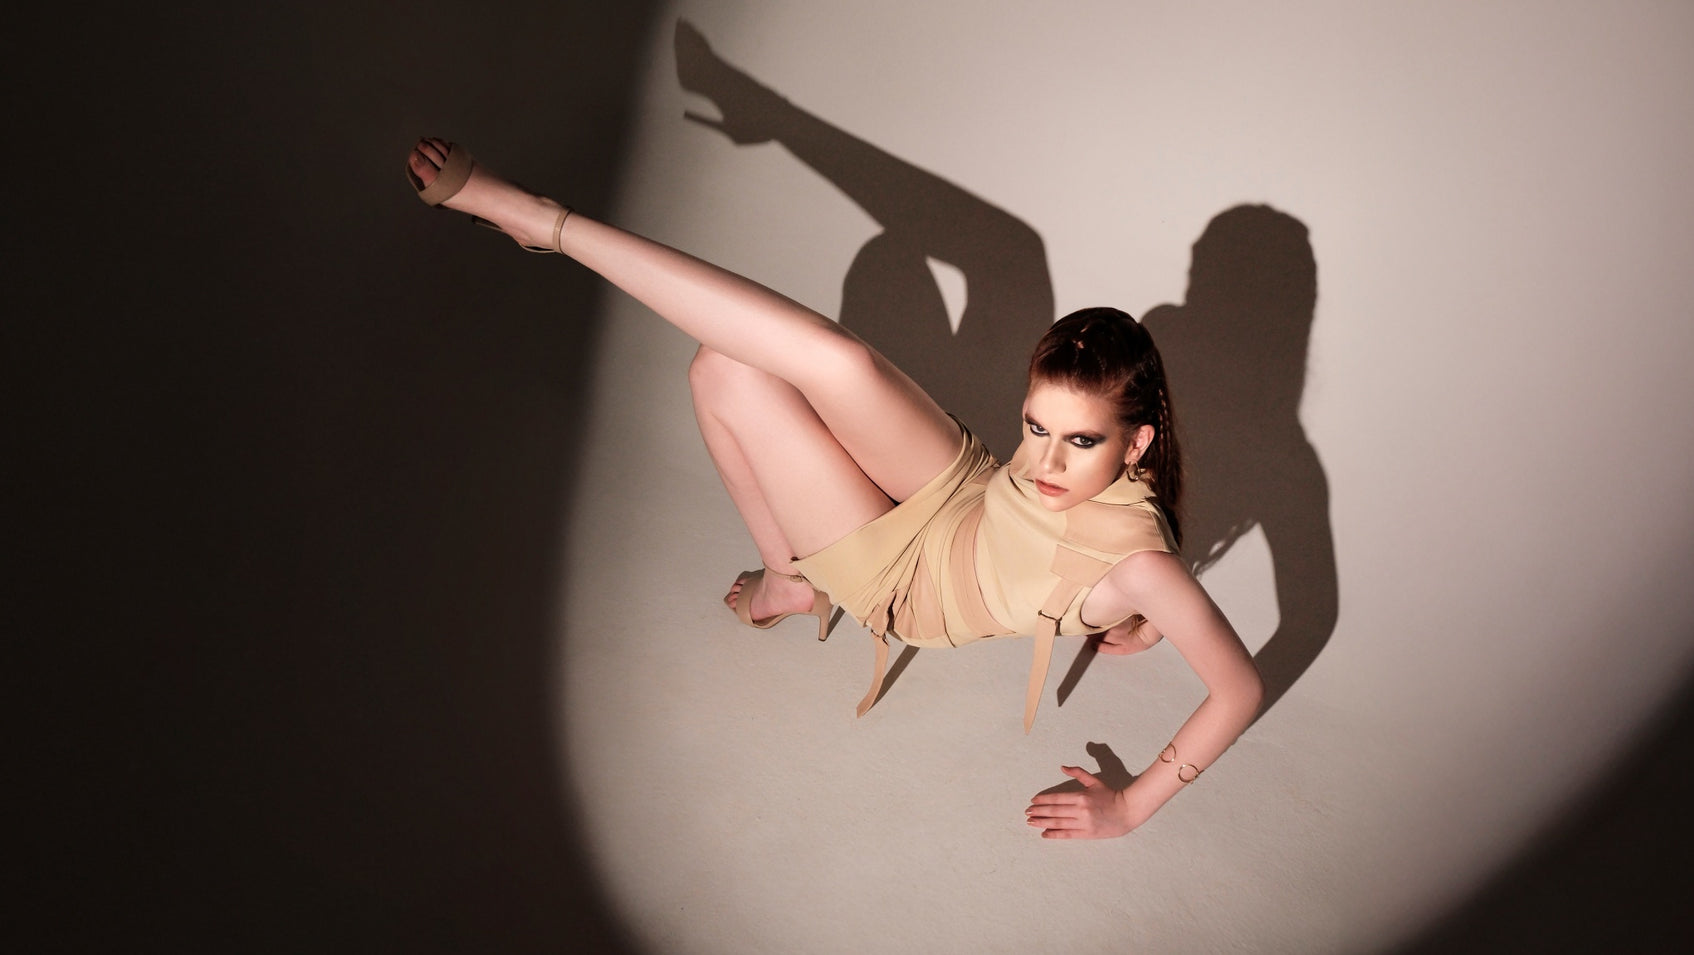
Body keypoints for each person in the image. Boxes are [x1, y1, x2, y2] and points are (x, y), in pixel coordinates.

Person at [406, 137, 1264, 839]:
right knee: (834, 357)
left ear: (1137, 439)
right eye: (1037, 426)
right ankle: (545, 223)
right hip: (963, 490)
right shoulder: (1087, 472)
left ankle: (789, 577)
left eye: (1079, 442)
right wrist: (769, 116)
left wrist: (1129, 806)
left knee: (723, 371)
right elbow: (1058, 500)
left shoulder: (1147, 564)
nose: (1044, 462)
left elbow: (1239, 689)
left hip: (920, 584)